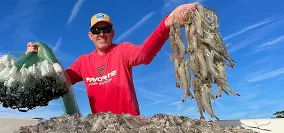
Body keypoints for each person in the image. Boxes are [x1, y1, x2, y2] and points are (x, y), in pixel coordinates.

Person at [25, 2, 198, 116]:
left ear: (112, 33)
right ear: (90, 36)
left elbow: (144, 55)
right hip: (101, 130)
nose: (101, 34)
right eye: (96, 31)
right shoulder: (83, 62)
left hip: (132, 127)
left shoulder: (123, 51)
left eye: (106, 29)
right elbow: (58, 82)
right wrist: (34, 59)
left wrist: (166, 24)